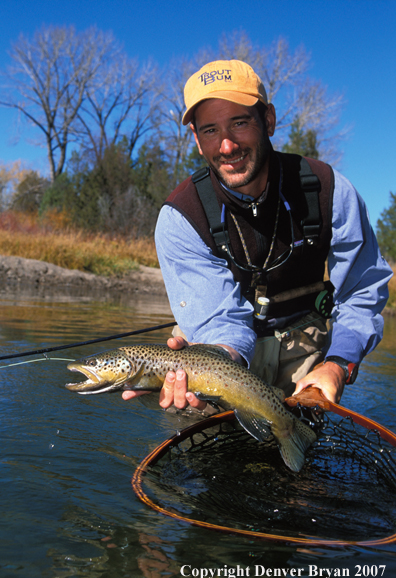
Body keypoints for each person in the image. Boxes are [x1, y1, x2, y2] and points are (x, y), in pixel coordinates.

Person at [122, 59, 392, 412]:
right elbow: (219, 323)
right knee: (204, 455)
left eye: (239, 123)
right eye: (210, 130)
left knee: (296, 457)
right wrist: (213, 365)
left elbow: (362, 290)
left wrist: (339, 364)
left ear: (269, 120)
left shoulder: (328, 190)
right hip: (219, 350)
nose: (227, 146)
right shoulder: (181, 217)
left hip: (304, 352)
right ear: (196, 139)